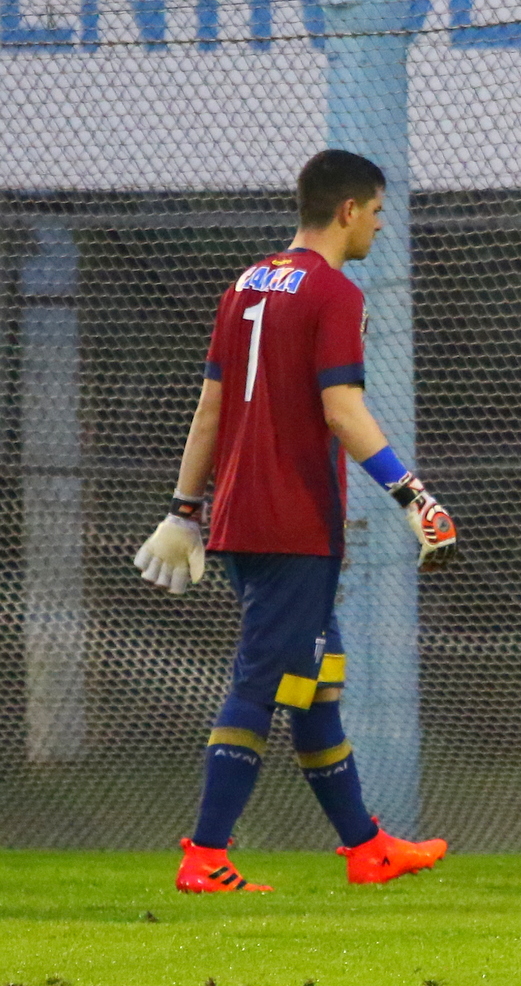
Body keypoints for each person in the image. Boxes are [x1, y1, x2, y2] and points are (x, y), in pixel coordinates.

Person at [134, 149, 459, 894]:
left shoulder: (244, 284)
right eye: (377, 210)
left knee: (317, 684)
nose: (381, 223)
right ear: (347, 210)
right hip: (294, 522)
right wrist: (414, 497)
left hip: (242, 516)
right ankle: (204, 854)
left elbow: (211, 408)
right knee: (258, 684)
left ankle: (366, 846)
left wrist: (186, 509)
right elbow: (341, 409)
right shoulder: (335, 294)